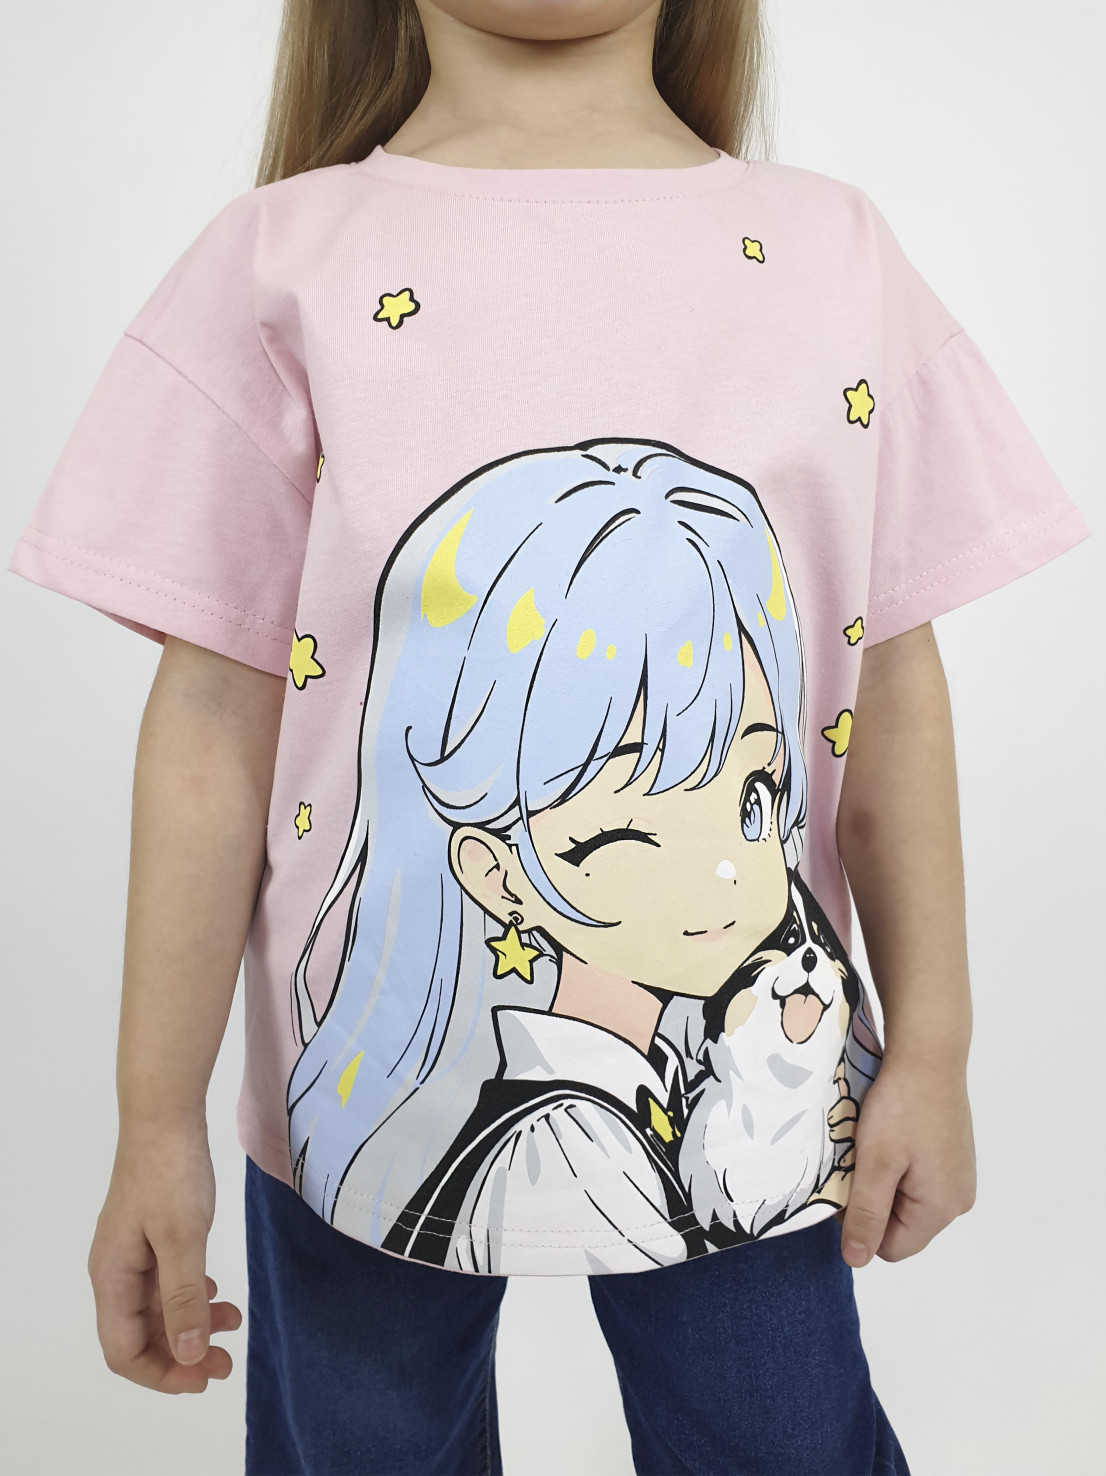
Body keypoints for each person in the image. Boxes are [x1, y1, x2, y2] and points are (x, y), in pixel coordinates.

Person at [6, 0, 1091, 1471]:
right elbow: (210, 726)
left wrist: (934, 1049)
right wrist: (155, 1122)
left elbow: (884, 685)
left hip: (776, 1127)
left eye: (741, 792)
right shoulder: (278, 261)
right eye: (627, 821)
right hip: (351, 1117)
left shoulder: (832, 251)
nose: (724, 864)